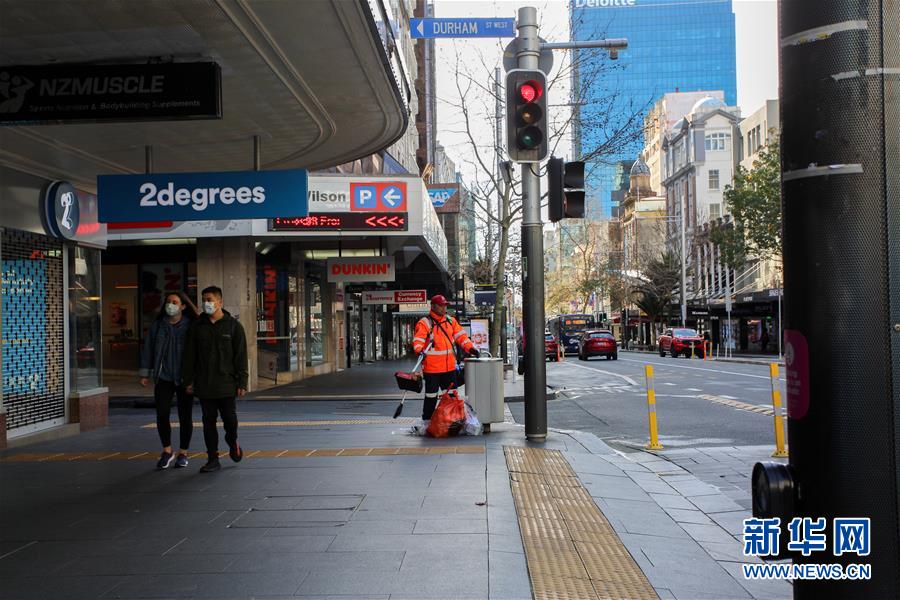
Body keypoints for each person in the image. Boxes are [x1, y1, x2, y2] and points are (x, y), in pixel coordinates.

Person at [183, 286, 248, 473]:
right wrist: (188, 380)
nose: (206, 303)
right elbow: (190, 356)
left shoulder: (233, 326)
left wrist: (242, 382)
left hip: (227, 383)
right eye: (204, 299)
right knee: (208, 421)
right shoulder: (197, 327)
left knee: (229, 419)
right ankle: (212, 458)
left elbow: (240, 356)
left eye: (210, 299)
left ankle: (232, 440)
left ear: (220, 302)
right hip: (204, 383)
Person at [140, 291, 195, 470]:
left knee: (184, 416)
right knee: (162, 414)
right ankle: (167, 451)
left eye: (175, 302)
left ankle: (183, 453)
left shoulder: (190, 326)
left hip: (184, 378)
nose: (170, 305)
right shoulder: (158, 326)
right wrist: (144, 374)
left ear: (183, 306)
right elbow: (148, 349)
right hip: (163, 377)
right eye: (168, 302)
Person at [412, 295, 479, 421]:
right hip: (432, 370)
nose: (444, 308)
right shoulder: (425, 323)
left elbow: (461, 337)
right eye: (441, 305)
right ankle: (427, 422)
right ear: (433, 306)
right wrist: (419, 350)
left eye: (445, 305)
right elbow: (418, 340)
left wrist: (470, 348)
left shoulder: (450, 321)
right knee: (431, 397)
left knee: (451, 396)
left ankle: (451, 421)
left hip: (449, 368)